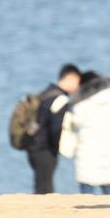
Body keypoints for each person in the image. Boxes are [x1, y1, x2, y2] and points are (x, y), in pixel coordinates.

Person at [59, 70, 110, 195]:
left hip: (88, 146)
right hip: (109, 143)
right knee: (108, 181)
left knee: (87, 183)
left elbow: (77, 121)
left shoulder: (82, 103)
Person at [27, 63, 81, 194]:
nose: (77, 87)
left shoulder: (46, 93)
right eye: (77, 82)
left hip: (33, 145)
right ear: (70, 77)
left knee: (40, 185)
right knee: (45, 189)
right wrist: (59, 148)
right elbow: (56, 129)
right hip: (45, 149)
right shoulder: (60, 99)